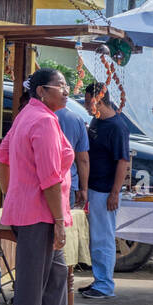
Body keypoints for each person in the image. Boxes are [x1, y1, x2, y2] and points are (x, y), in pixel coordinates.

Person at [0, 67, 74, 305]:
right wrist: (57, 220)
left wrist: (13, 193)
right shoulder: (41, 121)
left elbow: (2, 156)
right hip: (41, 217)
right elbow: (50, 178)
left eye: (67, 85)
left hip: (35, 213)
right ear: (41, 91)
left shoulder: (27, 116)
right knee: (31, 289)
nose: (66, 91)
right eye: (60, 86)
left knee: (55, 282)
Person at [81, 79, 131, 300]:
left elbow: (123, 161)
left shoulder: (117, 127)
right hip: (94, 187)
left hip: (104, 190)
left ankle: (104, 285)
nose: (85, 105)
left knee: (103, 238)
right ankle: (100, 280)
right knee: (97, 237)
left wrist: (114, 193)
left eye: (87, 101)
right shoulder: (97, 120)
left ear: (98, 100)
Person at [53, 78, 89, 208]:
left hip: (42, 185)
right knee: (64, 225)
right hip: (68, 184)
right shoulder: (76, 119)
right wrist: (83, 188)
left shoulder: (33, 116)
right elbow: (83, 159)